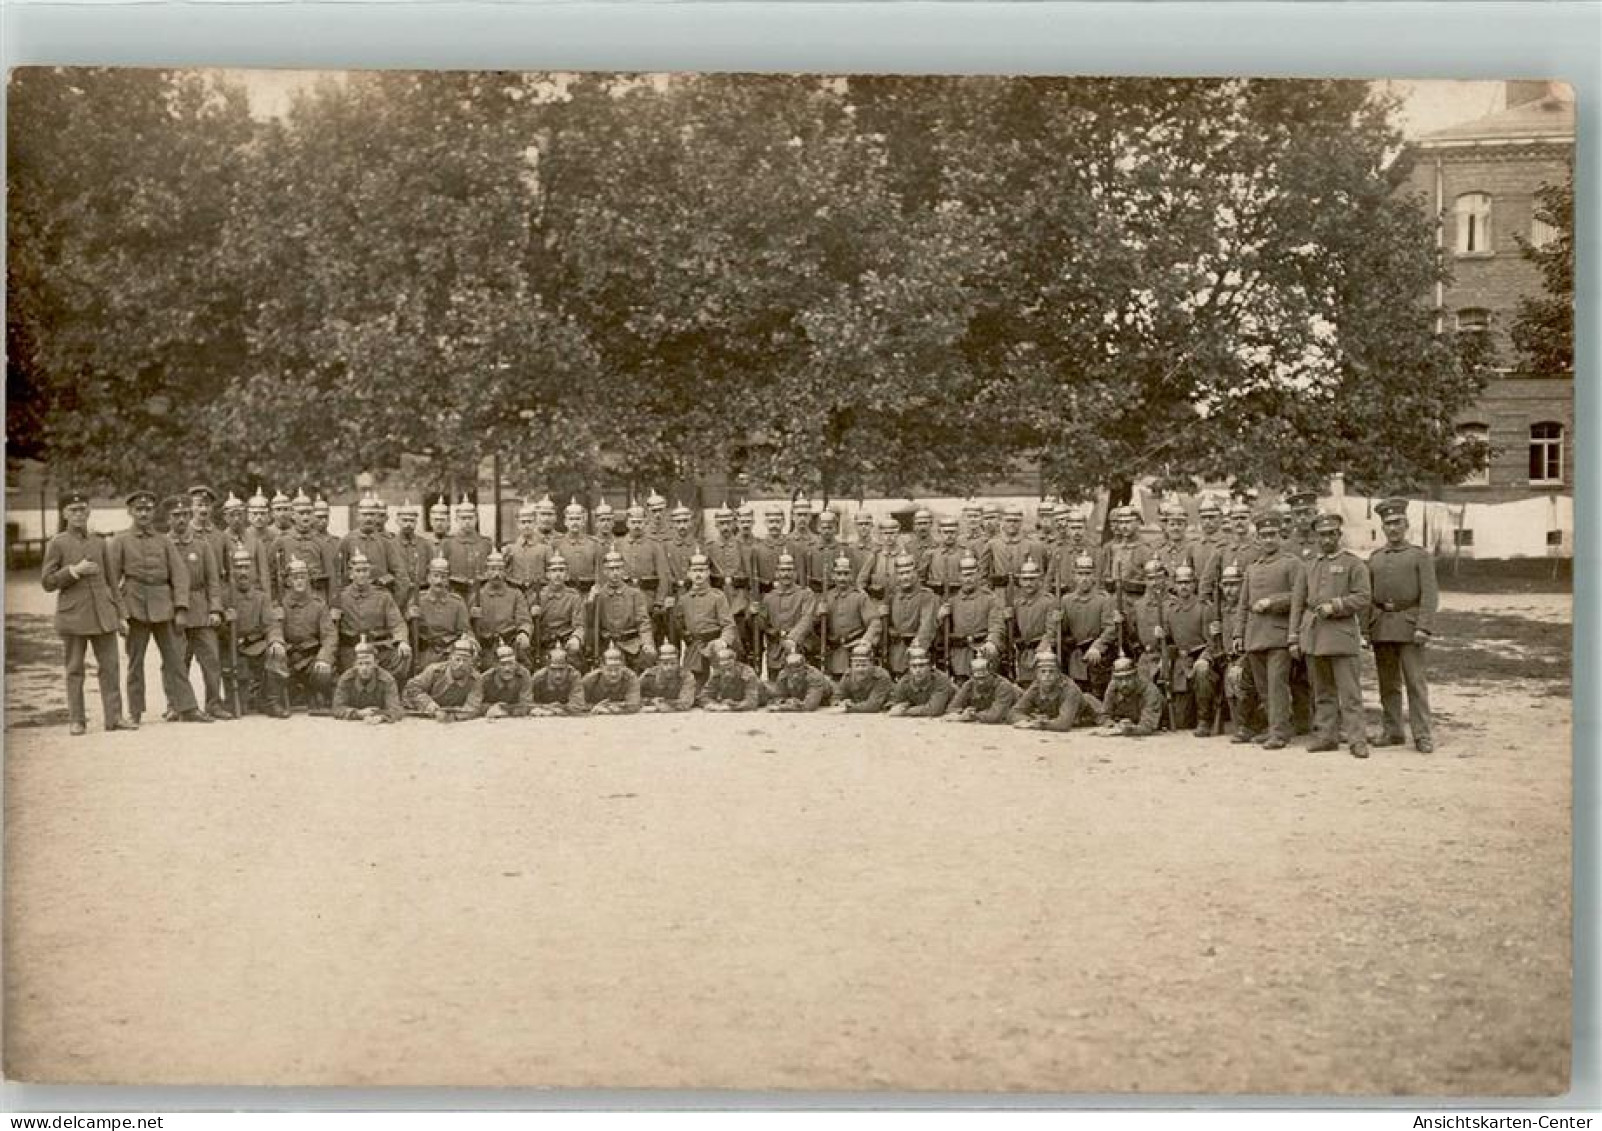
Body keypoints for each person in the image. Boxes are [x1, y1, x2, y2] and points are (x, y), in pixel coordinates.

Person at [107, 488, 206, 726]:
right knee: (135, 662)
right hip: (135, 608)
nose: (144, 514)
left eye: (148, 509)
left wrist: (181, 608)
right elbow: (110, 581)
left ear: (153, 512)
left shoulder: (164, 541)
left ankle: (188, 707)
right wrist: (120, 614)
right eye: (139, 509)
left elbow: (180, 576)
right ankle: (135, 711)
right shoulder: (120, 541)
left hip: (164, 608)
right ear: (130, 511)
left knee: (175, 660)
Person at [42, 490, 134, 734]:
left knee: (111, 667)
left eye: (83, 509)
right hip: (73, 617)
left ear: (89, 511)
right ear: (64, 513)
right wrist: (74, 571)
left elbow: (112, 582)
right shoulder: (57, 543)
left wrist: (121, 615)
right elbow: (48, 582)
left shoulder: (99, 542)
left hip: (103, 615)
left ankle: (114, 718)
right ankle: (77, 720)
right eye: (73, 510)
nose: (79, 514)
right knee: (75, 669)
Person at [1292, 512, 1372, 759]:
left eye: (1331, 534)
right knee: (1322, 692)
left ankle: (1357, 739)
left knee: (1349, 693)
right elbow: (1298, 602)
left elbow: (1363, 597)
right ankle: (1326, 736)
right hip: (1314, 635)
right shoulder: (1310, 565)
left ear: (1339, 535)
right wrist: (1294, 636)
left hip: (1341, 635)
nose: (1326, 539)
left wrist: (1336, 605)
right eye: (1322, 535)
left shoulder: (1353, 564)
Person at [1366, 497, 1439, 753]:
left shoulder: (1419, 556)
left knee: (1415, 683)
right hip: (1382, 627)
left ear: (1406, 524)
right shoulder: (1374, 558)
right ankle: (1393, 730)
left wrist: (1424, 626)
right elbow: (1367, 597)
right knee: (1388, 683)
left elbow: (1430, 594)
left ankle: (1422, 734)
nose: (1393, 528)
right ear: (1383, 528)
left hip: (1410, 627)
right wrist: (1367, 628)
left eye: (1397, 522)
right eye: (1388, 523)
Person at [1232, 512, 1303, 750]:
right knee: (1263, 687)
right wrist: (1238, 634)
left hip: (1279, 635)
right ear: (1257, 538)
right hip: (1255, 636)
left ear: (1280, 536)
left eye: (1272, 535)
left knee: (1276, 685)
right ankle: (1274, 726)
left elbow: (1299, 596)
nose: (1268, 540)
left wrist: (1272, 602)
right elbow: (1243, 604)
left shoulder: (1292, 563)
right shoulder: (1252, 568)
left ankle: (1279, 732)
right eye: (1263, 536)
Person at [167, 494, 229, 720]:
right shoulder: (164, 545)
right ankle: (175, 704)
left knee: (211, 660)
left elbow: (214, 581)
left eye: (184, 515)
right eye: (177, 516)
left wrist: (215, 609)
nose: (181, 520)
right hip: (175, 611)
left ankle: (213, 703)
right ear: (169, 519)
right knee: (176, 660)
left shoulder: (202, 546)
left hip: (202, 610)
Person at [223, 548, 286, 718]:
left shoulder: (261, 597)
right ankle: (244, 698)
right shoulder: (225, 596)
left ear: (252, 571)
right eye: (238, 567)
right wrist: (225, 622)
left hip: (257, 646)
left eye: (246, 567)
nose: (243, 572)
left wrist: (275, 640)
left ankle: (272, 702)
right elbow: (216, 632)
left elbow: (270, 624)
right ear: (232, 570)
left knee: (276, 654)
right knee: (239, 707)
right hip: (232, 648)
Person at [333, 551, 411, 679]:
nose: (362, 575)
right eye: (358, 571)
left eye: (365, 571)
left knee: (403, 655)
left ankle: (391, 690)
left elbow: (397, 623)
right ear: (351, 574)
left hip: (378, 647)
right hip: (352, 650)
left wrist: (402, 640)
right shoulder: (341, 597)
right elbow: (332, 629)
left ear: (369, 572)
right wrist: (334, 616)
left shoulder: (383, 596)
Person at [278, 556, 338, 714]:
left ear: (308, 579)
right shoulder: (280, 604)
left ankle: (316, 692)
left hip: (311, 657)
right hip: (288, 657)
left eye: (303, 577)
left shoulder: (319, 605)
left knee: (324, 671)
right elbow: (275, 631)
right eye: (295, 577)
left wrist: (324, 658)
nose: (299, 581)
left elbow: (330, 636)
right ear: (288, 581)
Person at [1057, 552, 1118, 698]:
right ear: (1074, 576)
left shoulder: (1104, 600)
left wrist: (1098, 646)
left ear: (1094, 577)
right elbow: (1062, 631)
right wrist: (1057, 621)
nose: (1084, 578)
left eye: (1088, 574)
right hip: (1075, 656)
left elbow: (1110, 628)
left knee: (1096, 695)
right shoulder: (1066, 600)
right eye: (1080, 574)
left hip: (1098, 657)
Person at [672, 553, 738, 681]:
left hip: (715, 647)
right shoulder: (683, 600)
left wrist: (723, 641)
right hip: (694, 649)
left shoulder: (718, 597)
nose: (698, 575)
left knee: (720, 684)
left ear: (708, 573)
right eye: (695, 571)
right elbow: (679, 625)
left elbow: (728, 625)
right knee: (692, 688)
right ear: (689, 573)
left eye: (702, 570)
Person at [939, 554, 1005, 678]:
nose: (968, 579)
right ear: (959, 577)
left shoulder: (990, 599)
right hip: (959, 656)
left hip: (983, 651)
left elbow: (997, 625)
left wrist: (991, 642)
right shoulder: (952, 601)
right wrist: (940, 619)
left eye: (971, 574)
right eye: (965, 575)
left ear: (978, 575)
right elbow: (942, 634)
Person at [817, 556, 882, 678]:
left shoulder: (860, 597)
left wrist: (866, 641)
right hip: (834, 654)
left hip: (856, 652)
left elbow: (874, 622)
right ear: (833, 576)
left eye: (846, 574)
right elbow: (816, 627)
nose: (842, 578)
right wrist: (818, 614)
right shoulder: (826, 597)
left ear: (851, 575)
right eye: (839, 574)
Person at [593, 550, 656, 671]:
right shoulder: (598, 596)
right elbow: (593, 627)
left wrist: (647, 643)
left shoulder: (635, 594)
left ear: (623, 570)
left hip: (632, 646)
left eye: (618, 568)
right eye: (611, 569)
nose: (615, 573)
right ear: (605, 571)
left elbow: (643, 623)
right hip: (608, 646)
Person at [471, 550, 534, 668]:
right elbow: (466, 626)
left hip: (510, 644)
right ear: (486, 571)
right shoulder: (477, 595)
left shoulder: (515, 594)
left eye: (500, 569)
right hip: (486, 647)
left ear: (505, 572)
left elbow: (525, 620)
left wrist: (524, 633)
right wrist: (472, 618)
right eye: (493, 569)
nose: (497, 574)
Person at [754, 553, 815, 674]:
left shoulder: (806, 594)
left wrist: (792, 639)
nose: (786, 574)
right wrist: (754, 613)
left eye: (789, 570)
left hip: (799, 650)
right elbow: (762, 624)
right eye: (782, 570)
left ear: (795, 573)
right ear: (777, 573)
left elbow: (807, 619)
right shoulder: (768, 598)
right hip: (775, 653)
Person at [1010, 650, 1098, 731]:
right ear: (1037, 674)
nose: (1047, 675)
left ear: (1058, 674)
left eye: (1051, 671)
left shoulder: (1070, 689)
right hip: (1059, 723)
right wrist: (1030, 720)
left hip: (1092, 722)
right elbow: (1014, 712)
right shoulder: (1036, 687)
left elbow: (1063, 724)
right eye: (1043, 671)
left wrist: (1038, 724)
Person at [883, 553, 939, 676]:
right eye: (901, 573)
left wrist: (917, 648)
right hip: (895, 652)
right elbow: (888, 625)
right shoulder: (892, 597)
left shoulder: (927, 596)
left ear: (916, 573)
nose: (905, 577)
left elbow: (927, 625)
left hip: (918, 652)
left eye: (908, 572)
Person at [403, 637, 484, 721]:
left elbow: (472, 707)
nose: (461, 664)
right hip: (421, 711)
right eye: (457, 659)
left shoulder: (475, 679)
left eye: (465, 660)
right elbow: (412, 688)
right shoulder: (434, 671)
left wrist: (453, 716)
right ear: (450, 659)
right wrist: (430, 706)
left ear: (471, 662)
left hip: (452, 715)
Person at [413, 556, 472, 670]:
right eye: (435, 576)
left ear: (448, 580)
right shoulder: (417, 600)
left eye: (443, 577)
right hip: (427, 651)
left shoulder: (457, 602)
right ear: (428, 578)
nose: (439, 581)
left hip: (451, 649)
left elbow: (465, 631)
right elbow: (408, 629)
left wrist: (467, 641)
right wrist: (410, 617)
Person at [531, 553, 587, 665]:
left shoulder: (573, 597)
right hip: (544, 646)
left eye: (561, 571)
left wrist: (576, 638)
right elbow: (528, 625)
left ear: (566, 574)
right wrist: (532, 615)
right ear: (547, 574)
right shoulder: (537, 597)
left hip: (567, 645)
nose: (558, 575)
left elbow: (580, 624)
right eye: (554, 571)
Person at [332, 638, 403, 724]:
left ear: (376, 663)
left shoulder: (387, 680)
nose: (364, 668)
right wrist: (358, 713)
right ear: (355, 664)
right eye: (360, 664)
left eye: (368, 663)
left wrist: (381, 717)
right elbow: (337, 708)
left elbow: (395, 709)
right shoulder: (346, 679)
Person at [1095, 656, 1165, 736]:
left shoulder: (1150, 691)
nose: (1124, 683)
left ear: (1136, 676)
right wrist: (1113, 725)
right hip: (1131, 724)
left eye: (1128, 678)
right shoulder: (1113, 687)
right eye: (1119, 679)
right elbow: (1104, 715)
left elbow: (1147, 726)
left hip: (1162, 725)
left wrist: (1127, 729)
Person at [941, 653, 1020, 724]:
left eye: (983, 678)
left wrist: (972, 715)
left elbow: (995, 716)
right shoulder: (969, 684)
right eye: (977, 678)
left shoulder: (1003, 686)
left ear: (991, 674)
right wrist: (963, 713)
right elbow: (952, 708)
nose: (980, 682)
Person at [885, 646, 954, 718]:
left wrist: (905, 711)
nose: (918, 670)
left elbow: (934, 710)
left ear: (930, 666)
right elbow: (894, 703)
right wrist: (894, 707)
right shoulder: (904, 682)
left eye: (921, 666)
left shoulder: (941, 680)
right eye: (914, 666)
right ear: (909, 668)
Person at [698, 645, 765, 711]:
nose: (725, 669)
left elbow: (751, 702)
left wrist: (731, 707)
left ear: (734, 661)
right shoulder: (718, 672)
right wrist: (713, 705)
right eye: (721, 661)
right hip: (734, 700)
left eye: (728, 666)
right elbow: (704, 696)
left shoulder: (747, 673)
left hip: (765, 695)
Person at [832, 642, 894, 713]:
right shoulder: (848, 675)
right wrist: (841, 703)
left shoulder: (881, 676)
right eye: (857, 665)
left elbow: (873, 706)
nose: (860, 669)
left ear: (872, 664)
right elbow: (836, 697)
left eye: (864, 665)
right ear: (851, 664)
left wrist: (848, 708)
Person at [581, 646, 644, 714]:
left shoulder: (630, 678)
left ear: (623, 667)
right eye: (609, 669)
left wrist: (609, 709)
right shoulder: (589, 680)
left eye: (617, 669)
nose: (613, 674)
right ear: (601, 667)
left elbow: (634, 705)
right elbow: (577, 704)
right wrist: (593, 708)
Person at [480, 643, 534, 720]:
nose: (507, 669)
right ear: (495, 665)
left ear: (516, 664)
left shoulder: (524, 675)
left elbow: (526, 703)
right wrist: (489, 708)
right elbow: (475, 705)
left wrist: (505, 709)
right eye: (503, 664)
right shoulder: (485, 679)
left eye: (510, 664)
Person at [765, 650, 833, 711]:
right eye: (791, 671)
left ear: (805, 667)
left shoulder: (815, 676)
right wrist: (784, 701)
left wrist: (782, 707)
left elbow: (809, 706)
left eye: (798, 671)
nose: (795, 675)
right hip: (799, 697)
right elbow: (778, 697)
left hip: (824, 697)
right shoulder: (783, 675)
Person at [639, 643, 697, 712]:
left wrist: (662, 703)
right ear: (658, 664)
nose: (669, 667)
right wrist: (651, 701)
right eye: (665, 663)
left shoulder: (686, 676)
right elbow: (634, 696)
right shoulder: (649, 675)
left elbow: (685, 703)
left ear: (678, 663)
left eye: (673, 663)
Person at [528, 647, 586, 716]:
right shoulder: (538, 678)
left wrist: (555, 709)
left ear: (568, 667)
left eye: (561, 669)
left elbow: (578, 705)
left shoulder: (574, 676)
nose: (558, 675)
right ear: (547, 668)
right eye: (553, 669)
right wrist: (542, 708)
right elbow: (527, 703)